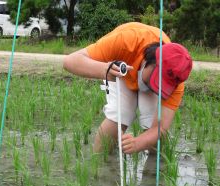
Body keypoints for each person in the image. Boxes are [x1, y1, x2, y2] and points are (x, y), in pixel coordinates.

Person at [63, 22, 192, 154]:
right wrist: (105, 69)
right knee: (120, 113)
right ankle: (99, 164)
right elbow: (70, 61)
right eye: (156, 82)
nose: (156, 89)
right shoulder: (126, 41)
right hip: (119, 70)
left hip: (142, 70)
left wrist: (139, 142)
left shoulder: (176, 78)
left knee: (152, 122)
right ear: (150, 61)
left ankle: (153, 170)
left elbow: (161, 128)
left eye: (162, 87)